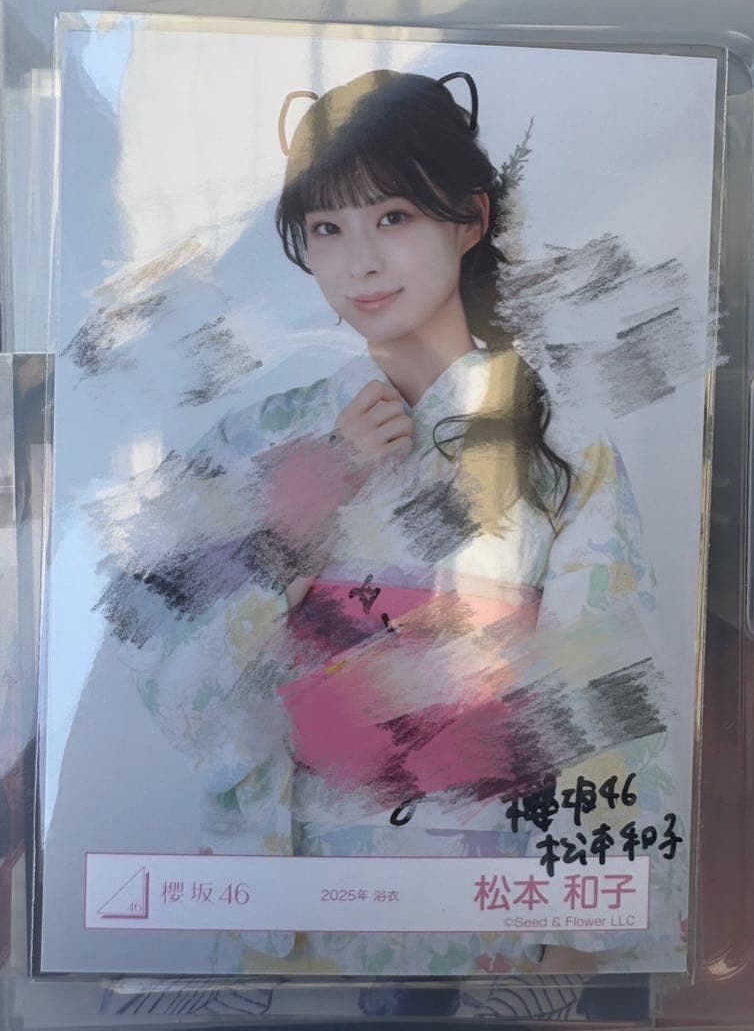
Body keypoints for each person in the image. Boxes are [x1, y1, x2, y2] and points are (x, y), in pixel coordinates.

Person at [99, 69, 674, 975]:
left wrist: (574, 946)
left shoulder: (561, 446)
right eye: (327, 229)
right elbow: (158, 664)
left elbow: (605, 706)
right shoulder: (257, 439)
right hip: (291, 919)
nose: (359, 263)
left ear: (470, 219)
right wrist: (293, 521)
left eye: (393, 217)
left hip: (486, 923)